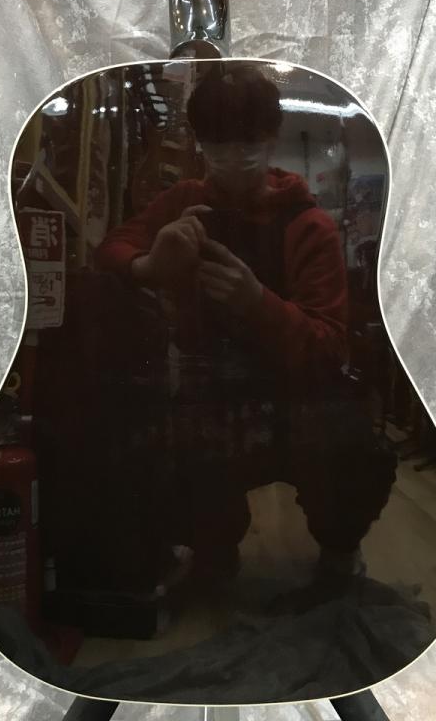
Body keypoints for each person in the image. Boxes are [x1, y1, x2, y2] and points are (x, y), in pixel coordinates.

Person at [95, 63, 395, 603]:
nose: (235, 158)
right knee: (140, 444)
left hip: (299, 399)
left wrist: (256, 303)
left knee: (356, 451)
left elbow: (330, 347)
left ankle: (339, 551)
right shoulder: (183, 200)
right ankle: (212, 548)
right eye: (219, 144)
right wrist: (150, 264)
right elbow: (114, 247)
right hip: (211, 394)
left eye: (249, 143)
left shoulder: (308, 224)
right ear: (201, 144)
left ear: (270, 138)